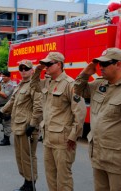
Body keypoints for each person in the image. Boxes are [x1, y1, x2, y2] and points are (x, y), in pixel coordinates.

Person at [32, 52, 86, 191]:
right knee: (51, 177)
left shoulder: (69, 84)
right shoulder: (48, 82)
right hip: (48, 138)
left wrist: (74, 135)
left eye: (49, 64)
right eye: (46, 64)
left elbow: (79, 112)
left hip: (63, 140)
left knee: (63, 179)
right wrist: (38, 69)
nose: (46, 67)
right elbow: (34, 85)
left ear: (59, 65)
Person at [74, 47, 121, 191]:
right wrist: (85, 73)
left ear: (118, 64)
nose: (101, 67)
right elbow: (78, 90)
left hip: (117, 160)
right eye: (100, 63)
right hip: (98, 155)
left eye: (105, 64)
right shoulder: (99, 85)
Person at [0, 60, 43, 191]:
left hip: (27, 127)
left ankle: (31, 184)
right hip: (18, 126)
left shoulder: (35, 85)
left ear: (32, 71)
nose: (23, 71)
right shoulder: (20, 85)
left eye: (26, 68)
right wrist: (1, 111)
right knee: (20, 157)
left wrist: (33, 124)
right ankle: (26, 181)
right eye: (21, 68)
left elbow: (38, 107)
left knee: (28, 157)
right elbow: (12, 101)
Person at [0, 71, 15, 146]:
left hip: (7, 106)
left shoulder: (10, 85)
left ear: (8, 77)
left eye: (4, 76)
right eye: (2, 76)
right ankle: (5, 137)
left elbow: (5, 95)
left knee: (7, 122)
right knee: (3, 122)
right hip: (2, 106)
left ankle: (7, 139)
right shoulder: (3, 83)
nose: (3, 78)